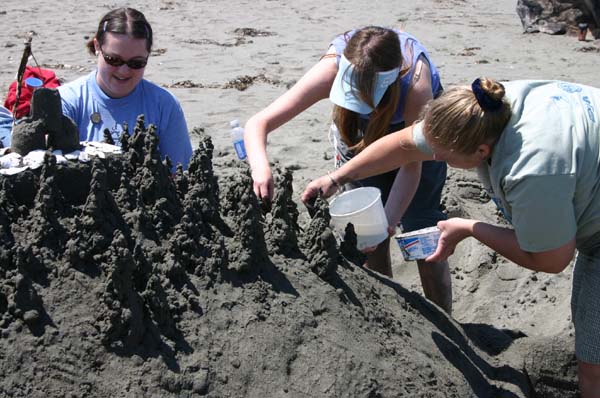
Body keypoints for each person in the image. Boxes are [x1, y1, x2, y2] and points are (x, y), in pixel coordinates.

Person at [301, 77, 600, 397]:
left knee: (593, 363)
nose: (438, 159)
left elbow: (551, 259)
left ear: (481, 150)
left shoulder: (531, 170)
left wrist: (470, 228)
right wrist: (337, 177)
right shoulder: (481, 109)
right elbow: (404, 146)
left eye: (443, 157)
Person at [244, 26, 452, 313]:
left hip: (418, 139)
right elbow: (258, 124)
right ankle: (388, 316)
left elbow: (411, 167)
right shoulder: (331, 67)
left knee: (423, 238)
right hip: (357, 135)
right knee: (368, 236)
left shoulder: (416, 87)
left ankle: (447, 321)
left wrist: (389, 223)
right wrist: (260, 168)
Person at [58, 7, 193, 171]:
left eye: (136, 63)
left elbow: (181, 173)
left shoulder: (164, 105)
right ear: (97, 47)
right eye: (113, 60)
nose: (123, 71)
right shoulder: (67, 101)